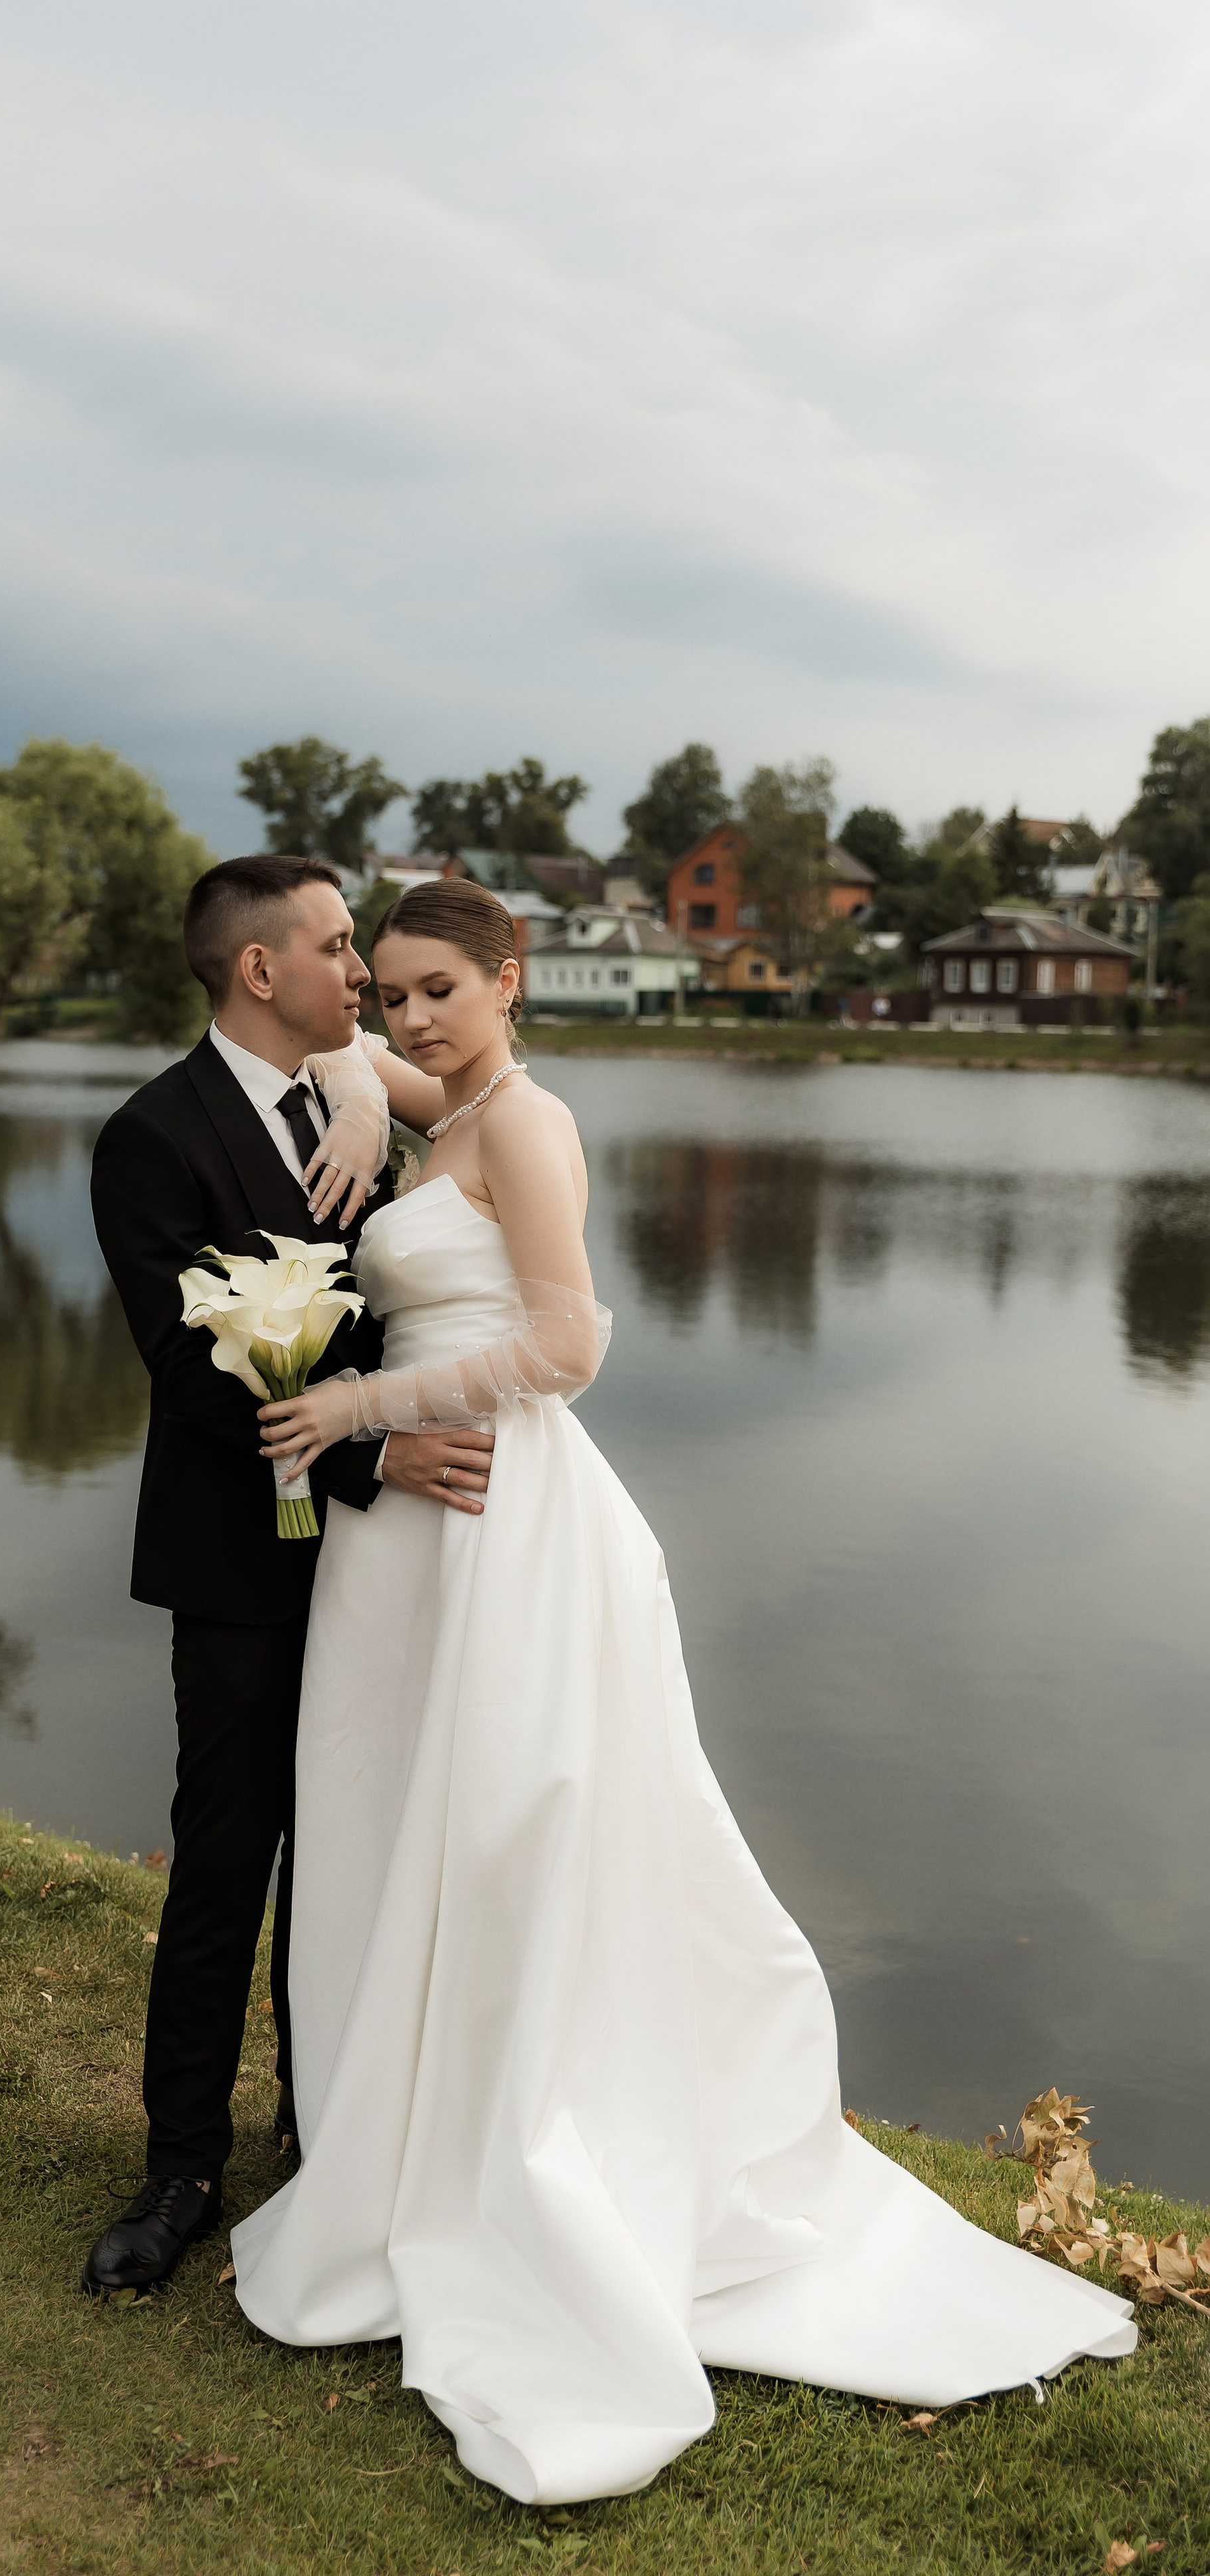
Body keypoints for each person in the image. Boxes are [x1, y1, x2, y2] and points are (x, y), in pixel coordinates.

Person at [231, 875, 1137, 2507]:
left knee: (516, 1842)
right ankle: (400, 2145)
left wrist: (360, 1399)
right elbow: (386, 1080)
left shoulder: (528, 1127)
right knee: (392, 1822)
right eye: (398, 989)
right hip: (411, 1558)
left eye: (444, 988)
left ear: (512, 981)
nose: (414, 1013)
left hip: (511, 1528)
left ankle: (515, 2157)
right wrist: (364, 1082)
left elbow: (571, 1343)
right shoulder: (445, 1105)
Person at [83, 857, 494, 2299]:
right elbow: (195, 1374)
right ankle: (181, 2165)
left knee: (364, 1846)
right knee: (227, 1855)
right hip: (244, 1560)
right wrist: (369, 1464)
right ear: (260, 972)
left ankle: (332, 2122)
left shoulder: (355, 1103)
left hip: (383, 1570)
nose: (362, 980)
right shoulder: (149, 1139)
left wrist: (373, 1083)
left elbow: (496, 1083)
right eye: (336, 951)